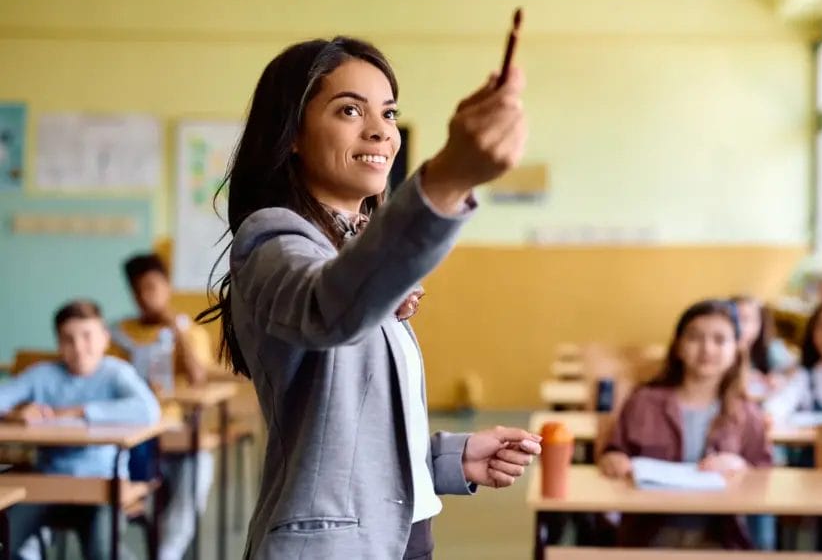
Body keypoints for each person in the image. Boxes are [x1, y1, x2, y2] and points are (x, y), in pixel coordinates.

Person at [199, 36, 540, 559]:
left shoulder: (358, 252)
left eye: (388, 112)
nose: (381, 130)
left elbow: (348, 438)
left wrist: (452, 458)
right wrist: (447, 177)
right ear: (292, 133)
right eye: (349, 110)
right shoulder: (271, 242)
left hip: (406, 542)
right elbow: (326, 308)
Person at [598, 299, 772, 549]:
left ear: (736, 349)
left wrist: (740, 464)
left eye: (720, 340)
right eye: (695, 338)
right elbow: (614, 450)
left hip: (719, 539)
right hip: (648, 537)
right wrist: (613, 459)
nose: (707, 349)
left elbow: (765, 473)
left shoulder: (748, 414)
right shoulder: (643, 401)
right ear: (678, 346)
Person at [0, 300, 161, 559]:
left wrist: (78, 411)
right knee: (5, 543)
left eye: (87, 336)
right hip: (46, 482)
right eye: (68, 339)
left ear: (105, 339)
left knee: (103, 551)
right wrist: (14, 413)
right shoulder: (43, 374)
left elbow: (149, 411)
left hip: (102, 485)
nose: (78, 348)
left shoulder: (116, 373)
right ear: (58, 345)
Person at [114, 253, 217, 560]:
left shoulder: (190, 332)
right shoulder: (117, 335)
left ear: (167, 286)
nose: (146, 297)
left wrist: (177, 332)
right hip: (132, 434)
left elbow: (199, 378)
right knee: (107, 499)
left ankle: (167, 554)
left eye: (152, 287)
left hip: (176, 433)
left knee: (198, 476)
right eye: (137, 290)